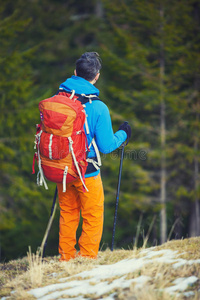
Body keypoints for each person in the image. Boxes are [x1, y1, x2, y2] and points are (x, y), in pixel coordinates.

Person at [56, 52, 131, 261]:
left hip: (61, 169)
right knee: (92, 215)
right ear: (96, 76)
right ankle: (87, 259)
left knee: (68, 213)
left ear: (75, 73)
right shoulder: (98, 107)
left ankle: (66, 258)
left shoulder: (57, 100)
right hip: (86, 171)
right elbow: (106, 146)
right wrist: (123, 134)